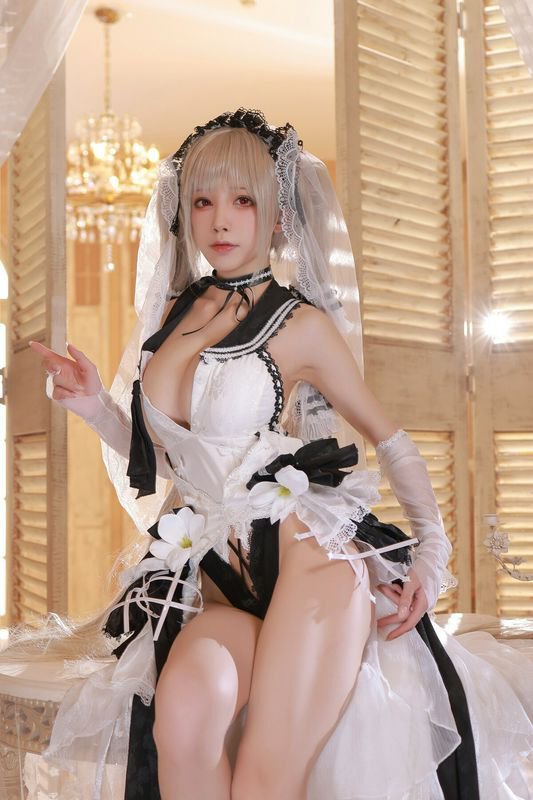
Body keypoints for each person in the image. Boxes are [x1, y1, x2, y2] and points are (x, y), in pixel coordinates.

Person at [16, 108, 533, 799]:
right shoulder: (173, 314)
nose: (220, 220)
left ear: (277, 214)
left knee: (266, 776)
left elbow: (391, 440)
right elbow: (175, 462)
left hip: (309, 560)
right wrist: (93, 407)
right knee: (183, 722)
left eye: (243, 200)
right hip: (212, 572)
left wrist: (430, 558)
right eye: (203, 201)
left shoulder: (300, 324)